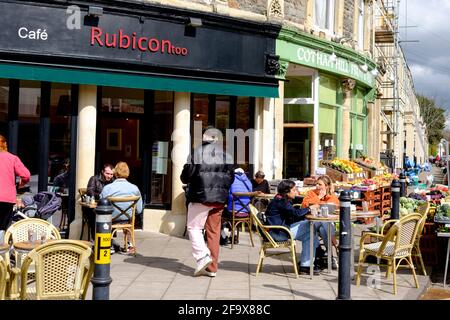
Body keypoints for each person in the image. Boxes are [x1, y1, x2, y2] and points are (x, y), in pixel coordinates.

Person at [180, 126, 234, 277]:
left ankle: (203, 257)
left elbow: (186, 177)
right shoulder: (226, 155)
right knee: (214, 232)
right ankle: (212, 268)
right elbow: (231, 178)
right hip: (219, 199)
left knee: (193, 228)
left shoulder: (196, 153)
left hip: (200, 197)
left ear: (204, 137)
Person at [265, 180, 321, 275]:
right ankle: (318, 253)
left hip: (277, 230)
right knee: (310, 225)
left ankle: (306, 266)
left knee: (309, 234)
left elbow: (292, 215)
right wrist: (310, 208)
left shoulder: (279, 199)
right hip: (279, 233)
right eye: (294, 190)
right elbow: (295, 213)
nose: (296, 192)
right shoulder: (281, 201)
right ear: (287, 191)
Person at [100, 161, 143, 254]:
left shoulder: (108, 188)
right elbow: (139, 210)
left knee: (102, 216)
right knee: (130, 217)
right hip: (128, 218)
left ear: (115, 173)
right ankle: (129, 244)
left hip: (111, 218)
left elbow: (101, 204)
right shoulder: (134, 188)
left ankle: (109, 244)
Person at [301, 175, 340, 270]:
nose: (317, 186)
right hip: (312, 222)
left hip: (327, 224)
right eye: (316, 184)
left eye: (320, 184)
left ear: (326, 186)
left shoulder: (332, 196)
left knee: (324, 229)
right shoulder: (311, 193)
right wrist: (319, 197)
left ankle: (329, 255)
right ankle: (334, 247)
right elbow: (304, 206)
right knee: (324, 223)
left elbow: (337, 209)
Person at [0, 134, 31, 230]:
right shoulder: (12, 158)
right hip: (6, 198)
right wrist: (21, 184)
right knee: (3, 227)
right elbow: (26, 175)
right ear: (5, 144)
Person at [83, 164, 115, 240]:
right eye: (107, 173)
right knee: (95, 216)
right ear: (102, 172)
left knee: (113, 214)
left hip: (107, 207)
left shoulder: (113, 181)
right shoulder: (94, 179)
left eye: (111, 174)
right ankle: (96, 239)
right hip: (94, 207)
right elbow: (90, 191)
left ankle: (108, 239)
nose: (109, 176)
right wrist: (101, 196)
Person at [222, 167, 253, 245]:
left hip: (234, 212)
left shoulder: (231, 180)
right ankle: (233, 235)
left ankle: (223, 236)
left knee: (219, 213)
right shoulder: (248, 182)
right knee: (232, 211)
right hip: (246, 212)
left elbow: (227, 195)